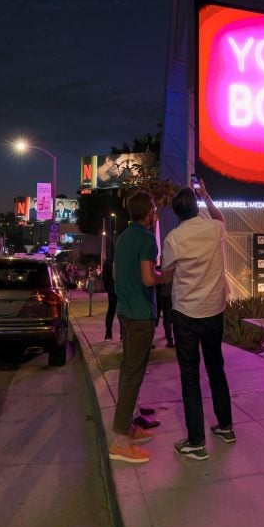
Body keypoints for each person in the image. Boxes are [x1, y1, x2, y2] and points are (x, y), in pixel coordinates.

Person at [161, 178, 232, 461]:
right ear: (195, 206)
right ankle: (225, 426)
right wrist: (206, 193)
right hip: (214, 309)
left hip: (186, 314)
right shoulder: (214, 229)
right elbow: (220, 216)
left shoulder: (173, 239)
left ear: (176, 213)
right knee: (216, 368)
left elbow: (166, 275)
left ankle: (196, 441)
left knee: (190, 376)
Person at [107, 190, 169, 464]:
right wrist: (167, 275)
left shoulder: (122, 238)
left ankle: (129, 428)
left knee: (128, 371)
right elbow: (147, 278)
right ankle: (120, 441)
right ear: (150, 213)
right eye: (154, 208)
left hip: (125, 313)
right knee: (133, 375)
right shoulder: (146, 239)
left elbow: (119, 274)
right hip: (141, 314)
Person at [154, 280, 174, 348]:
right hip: (168, 293)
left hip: (161, 293)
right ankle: (170, 341)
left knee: (155, 318)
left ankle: (169, 341)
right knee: (167, 318)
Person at [102, 254, 117, 340]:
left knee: (121, 313)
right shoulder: (108, 261)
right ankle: (108, 332)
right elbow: (105, 276)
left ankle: (122, 335)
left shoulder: (123, 260)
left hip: (121, 290)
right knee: (111, 311)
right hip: (112, 291)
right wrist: (108, 288)